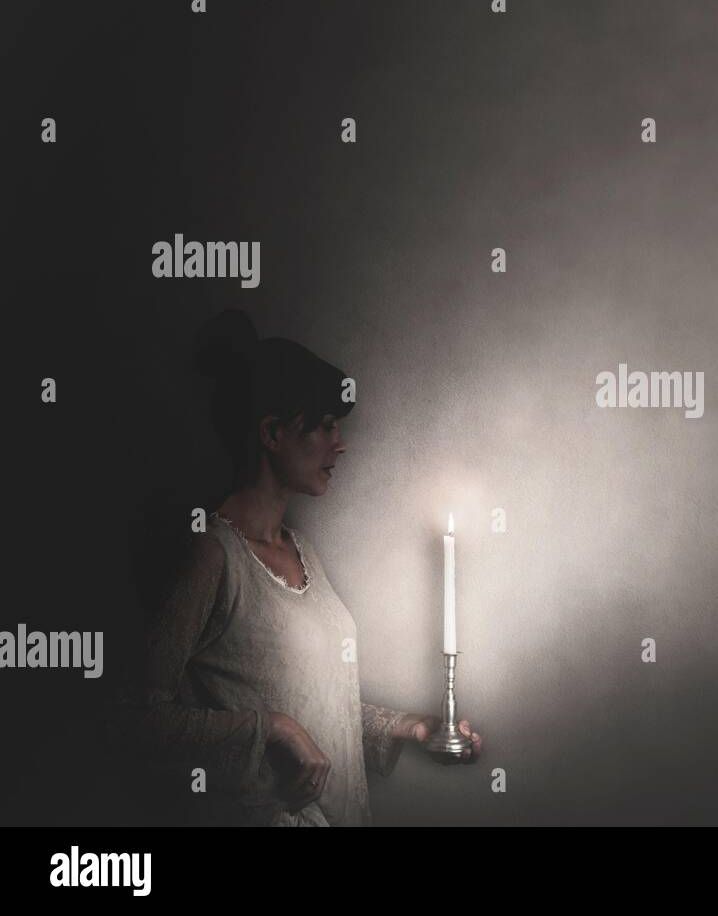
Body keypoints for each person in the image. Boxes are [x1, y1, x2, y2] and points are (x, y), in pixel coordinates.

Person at [115, 308, 480, 826]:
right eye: (326, 425)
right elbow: (136, 719)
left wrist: (411, 728)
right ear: (272, 433)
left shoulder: (302, 550)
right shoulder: (213, 556)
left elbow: (319, 703)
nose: (341, 442)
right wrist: (274, 729)